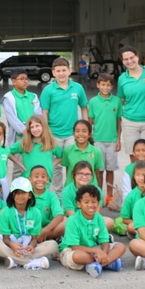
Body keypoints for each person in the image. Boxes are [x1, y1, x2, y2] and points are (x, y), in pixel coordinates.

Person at [40, 57, 88, 195]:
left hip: (73, 134)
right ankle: (58, 194)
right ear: (53, 73)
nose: (61, 73)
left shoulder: (78, 88)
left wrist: (86, 128)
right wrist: (46, 133)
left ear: (70, 71)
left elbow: (84, 107)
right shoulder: (48, 90)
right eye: (58, 71)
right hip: (54, 134)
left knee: (73, 164)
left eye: (64, 70)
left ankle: (72, 192)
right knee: (56, 166)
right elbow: (45, 112)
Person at [0, 177, 58, 270]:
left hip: (27, 246)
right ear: (12, 195)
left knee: (53, 245)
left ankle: (13, 260)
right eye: (17, 193)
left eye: (23, 192)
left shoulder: (36, 213)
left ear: (29, 195)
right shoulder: (5, 212)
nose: (20, 196)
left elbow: (34, 238)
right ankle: (32, 262)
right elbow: (5, 238)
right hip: (11, 245)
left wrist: (32, 246)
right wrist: (12, 246)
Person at [59, 184, 126, 277]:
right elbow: (74, 247)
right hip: (75, 250)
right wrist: (97, 252)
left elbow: (104, 240)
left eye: (94, 202)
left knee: (121, 246)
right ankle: (107, 263)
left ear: (98, 203)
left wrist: (104, 253)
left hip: (94, 248)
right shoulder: (72, 220)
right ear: (79, 204)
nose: (90, 205)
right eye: (86, 202)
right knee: (78, 256)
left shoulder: (98, 217)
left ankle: (99, 264)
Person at [88, 73, 123, 207]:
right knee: (99, 170)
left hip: (112, 141)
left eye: (108, 85)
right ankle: (98, 195)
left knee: (110, 169)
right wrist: (89, 140)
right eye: (103, 84)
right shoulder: (93, 102)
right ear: (98, 85)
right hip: (97, 140)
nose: (106, 87)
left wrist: (119, 140)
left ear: (112, 86)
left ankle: (109, 195)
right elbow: (90, 121)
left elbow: (119, 121)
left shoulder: (116, 101)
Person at [8, 114, 61, 181]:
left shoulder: (50, 142)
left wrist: (51, 165)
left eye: (37, 126)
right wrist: (17, 162)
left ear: (43, 126)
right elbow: (6, 151)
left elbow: (61, 156)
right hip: (28, 180)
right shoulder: (24, 142)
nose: (35, 129)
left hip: (45, 180)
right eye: (32, 127)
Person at [59, 120, 103, 189]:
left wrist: (98, 192)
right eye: (77, 131)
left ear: (89, 134)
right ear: (73, 133)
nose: (80, 134)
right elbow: (68, 170)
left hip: (90, 189)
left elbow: (97, 174)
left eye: (84, 131)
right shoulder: (68, 150)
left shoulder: (96, 151)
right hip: (72, 189)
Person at [2, 70, 42, 145]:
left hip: (35, 134)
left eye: (26, 79)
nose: (25, 81)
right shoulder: (8, 98)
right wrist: (25, 131)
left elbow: (38, 114)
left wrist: (35, 130)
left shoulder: (33, 96)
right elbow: (12, 119)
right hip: (19, 136)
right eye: (22, 79)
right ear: (14, 81)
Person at [28, 165, 65, 242]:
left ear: (47, 179)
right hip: (29, 229)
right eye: (36, 176)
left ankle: (41, 238)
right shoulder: (26, 194)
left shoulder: (52, 196)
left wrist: (45, 230)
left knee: (66, 222)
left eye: (43, 176)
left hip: (47, 230)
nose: (40, 179)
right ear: (30, 179)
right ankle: (37, 239)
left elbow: (59, 215)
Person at [118, 161, 145, 237]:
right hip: (137, 225)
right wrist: (141, 224)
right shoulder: (131, 196)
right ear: (134, 176)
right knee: (131, 227)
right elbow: (125, 219)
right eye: (137, 175)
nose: (141, 178)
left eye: (144, 175)